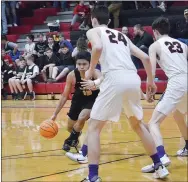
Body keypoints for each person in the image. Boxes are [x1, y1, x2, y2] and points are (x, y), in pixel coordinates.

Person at [79, 6, 169, 182]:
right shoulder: (122, 35)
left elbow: (96, 47)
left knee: (94, 128)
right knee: (138, 125)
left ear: (93, 19)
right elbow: (144, 57)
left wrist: (90, 70)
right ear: (109, 21)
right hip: (133, 79)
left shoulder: (93, 31)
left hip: (114, 78)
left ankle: (93, 177)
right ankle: (159, 166)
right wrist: (150, 81)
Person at [141, 17, 188, 174]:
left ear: (154, 31)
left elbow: (152, 72)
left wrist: (149, 91)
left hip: (177, 82)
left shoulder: (155, 45)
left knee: (153, 123)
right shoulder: (182, 45)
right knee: (178, 114)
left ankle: (161, 157)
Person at [50, 51, 101, 152]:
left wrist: (95, 84)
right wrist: (55, 114)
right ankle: (76, 136)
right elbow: (64, 96)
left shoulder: (95, 73)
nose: (81, 66)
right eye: (79, 64)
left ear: (90, 64)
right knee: (70, 128)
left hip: (92, 100)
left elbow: (104, 82)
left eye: (84, 64)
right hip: (78, 100)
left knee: (82, 117)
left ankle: (69, 141)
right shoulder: (72, 75)